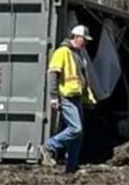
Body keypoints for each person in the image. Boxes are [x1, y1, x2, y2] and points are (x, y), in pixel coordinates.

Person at [40, 25, 97, 174]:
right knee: (75, 129)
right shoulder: (62, 52)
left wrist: (88, 98)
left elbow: (81, 78)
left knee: (78, 135)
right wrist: (53, 97)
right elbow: (53, 74)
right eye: (84, 39)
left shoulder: (78, 54)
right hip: (66, 96)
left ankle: (72, 166)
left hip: (76, 97)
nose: (86, 42)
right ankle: (49, 146)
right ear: (76, 37)